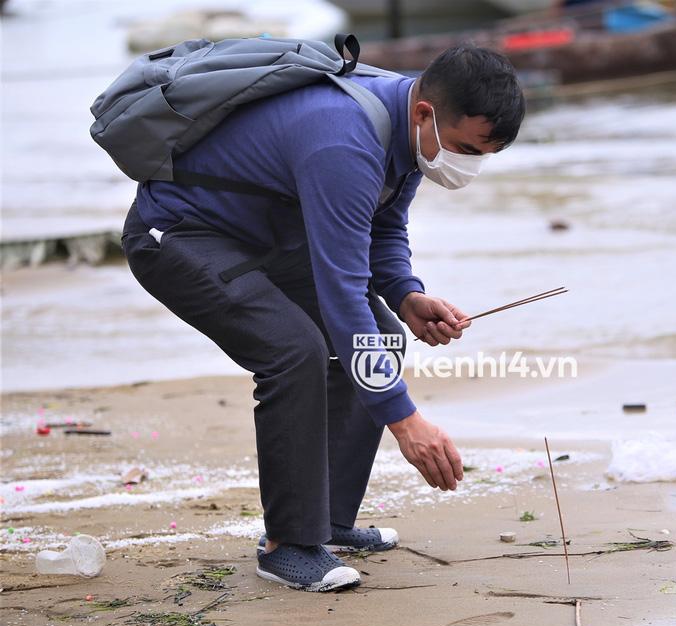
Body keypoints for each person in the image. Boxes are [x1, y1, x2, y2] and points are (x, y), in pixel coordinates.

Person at [120, 44, 526, 592]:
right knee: (294, 351)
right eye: (463, 148)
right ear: (426, 112)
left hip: (262, 240)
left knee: (380, 332)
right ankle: (287, 544)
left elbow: (381, 228)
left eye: (481, 154)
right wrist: (405, 421)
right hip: (179, 235)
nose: (467, 165)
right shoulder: (344, 139)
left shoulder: (407, 127)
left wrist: (406, 295)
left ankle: (326, 522)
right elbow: (342, 293)